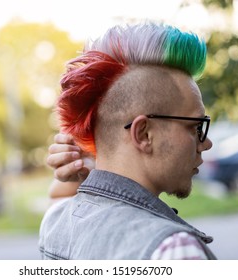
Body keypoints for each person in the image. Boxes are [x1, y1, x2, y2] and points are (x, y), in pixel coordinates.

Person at [39, 21, 217, 260]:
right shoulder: (173, 249)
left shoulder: (55, 224)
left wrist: (90, 158)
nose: (206, 143)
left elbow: (60, 200)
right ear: (143, 134)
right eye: (195, 126)